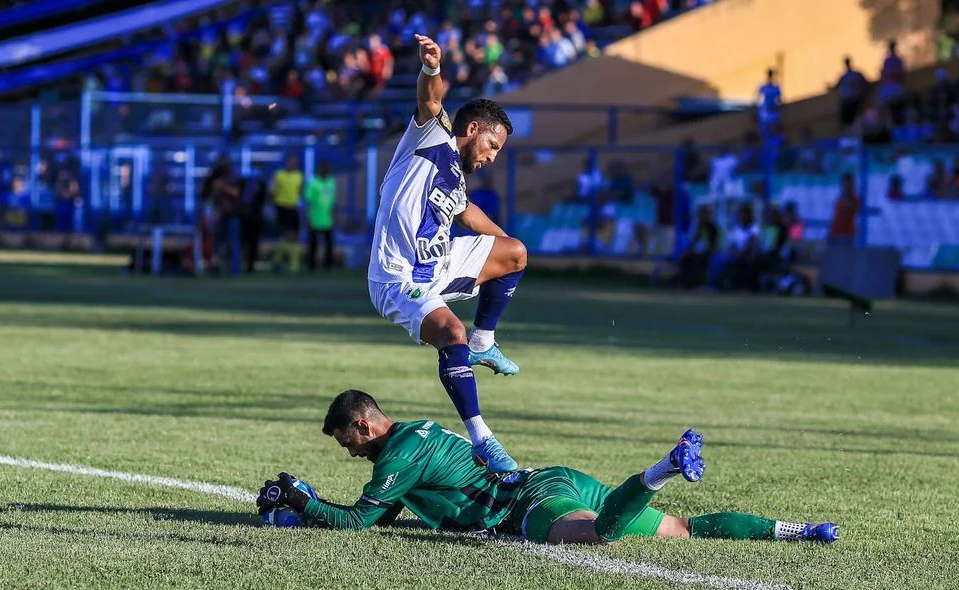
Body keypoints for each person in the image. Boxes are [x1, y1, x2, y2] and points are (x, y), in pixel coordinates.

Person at [256, 390, 841, 545]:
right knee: (679, 530)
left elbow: (360, 522)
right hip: (553, 478)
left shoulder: (397, 456)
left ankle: (664, 466)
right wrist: (304, 507)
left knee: (597, 536)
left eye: (346, 443)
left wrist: (303, 501)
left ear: (363, 426)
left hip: (529, 505)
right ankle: (796, 530)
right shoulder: (409, 439)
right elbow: (384, 514)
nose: (348, 452)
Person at [367, 34, 527, 473]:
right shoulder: (431, 136)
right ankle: (482, 439)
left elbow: (468, 214)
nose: (493, 157)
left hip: (436, 266)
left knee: (515, 253)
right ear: (472, 129)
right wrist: (433, 68)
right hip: (397, 278)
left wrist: (507, 249)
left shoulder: (455, 178)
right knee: (450, 332)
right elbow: (430, 100)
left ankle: (485, 342)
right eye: (492, 146)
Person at [271, 153, 304, 273]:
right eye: (291, 161)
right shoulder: (279, 175)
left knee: (294, 235)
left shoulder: (299, 176)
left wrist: (300, 204)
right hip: (282, 206)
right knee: (287, 234)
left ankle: (283, 262)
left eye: (295, 162)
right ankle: (286, 263)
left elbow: (300, 191)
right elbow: (273, 191)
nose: (293, 164)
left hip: (293, 207)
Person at [304, 160, 337, 271]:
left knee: (329, 244)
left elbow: (332, 201)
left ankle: (328, 265)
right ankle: (311, 265)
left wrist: (334, 215)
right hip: (315, 218)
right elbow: (308, 201)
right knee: (313, 244)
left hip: (327, 219)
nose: (326, 171)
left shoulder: (331, 182)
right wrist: (308, 216)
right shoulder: (313, 182)